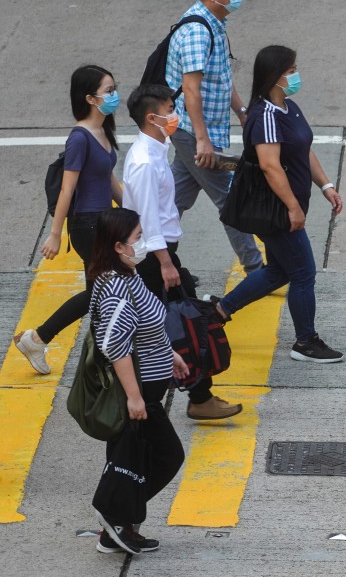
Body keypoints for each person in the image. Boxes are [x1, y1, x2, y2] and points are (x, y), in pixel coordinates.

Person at [210, 46, 344, 362]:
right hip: (276, 210)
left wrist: (326, 185)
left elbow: (303, 149)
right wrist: (293, 208)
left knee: (278, 271)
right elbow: (270, 166)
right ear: (275, 76)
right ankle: (306, 342)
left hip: (287, 206)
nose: (296, 75)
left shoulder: (289, 106)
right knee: (303, 273)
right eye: (291, 70)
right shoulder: (265, 116)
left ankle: (218, 312)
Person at [122, 84, 240, 420]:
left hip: (159, 254)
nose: (176, 114)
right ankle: (180, 398)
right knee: (184, 325)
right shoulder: (145, 161)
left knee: (182, 323)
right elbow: (146, 217)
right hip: (152, 257)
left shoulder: (157, 150)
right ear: (151, 117)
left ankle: (197, 396)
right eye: (171, 108)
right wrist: (165, 263)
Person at [88, 208, 188, 555]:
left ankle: (118, 526)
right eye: (137, 238)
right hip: (140, 394)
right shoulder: (116, 286)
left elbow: (142, 327)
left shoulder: (128, 275)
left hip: (148, 387)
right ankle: (114, 515)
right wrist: (134, 397)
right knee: (167, 455)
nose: (143, 243)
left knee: (132, 461)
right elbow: (115, 343)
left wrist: (167, 353)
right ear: (118, 246)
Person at [14, 65, 122, 374]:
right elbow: (67, 188)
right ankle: (101, 355)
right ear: (90, 98)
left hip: (104, 221)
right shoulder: (80, 138)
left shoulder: (102, 131)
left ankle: (40, 339)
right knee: (106, 290)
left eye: (114, 89)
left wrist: (134, 213)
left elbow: (108, 179)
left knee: (100, 293)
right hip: (88, 226)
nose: (115, 96)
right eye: (109, 91)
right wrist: (55, 233)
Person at [166, 0, 263, 274]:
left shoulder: (215, 23)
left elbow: (219, 76)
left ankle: (148, 254)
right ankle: (256, 268)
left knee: (174, 200)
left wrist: (242, 111)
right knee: (231, 200)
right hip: (194, 131)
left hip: (196, 130)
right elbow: (191, 90)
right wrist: (203, 141)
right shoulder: (197, 32)